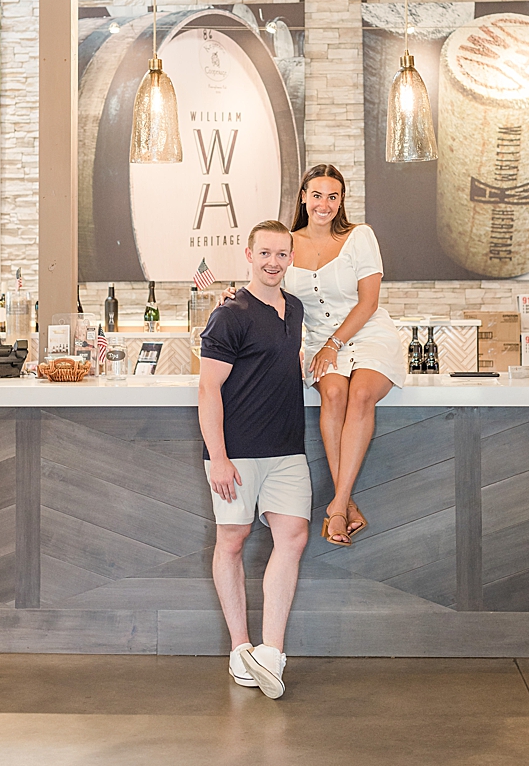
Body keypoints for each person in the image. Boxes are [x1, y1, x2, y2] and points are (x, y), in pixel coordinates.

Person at [198, 220, 310, 700]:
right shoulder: (229, 314)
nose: (273, 262)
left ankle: (271, 653)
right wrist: (219, 458)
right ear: (248, 254)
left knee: (293, 537)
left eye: (281, 254)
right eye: (265, 253)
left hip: (287, 448)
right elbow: (208, 389)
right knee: (233, 539)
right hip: (237, 452)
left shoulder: (295, 308)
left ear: (290, 258)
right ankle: (240, 649)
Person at [288, 163, 406, 547]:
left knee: (360, 394)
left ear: (341, 201)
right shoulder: (287, 245)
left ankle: (336, 507)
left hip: (366, 332)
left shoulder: (360, 236)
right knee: (334, 393)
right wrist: (233, 297)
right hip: (321, 341)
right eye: (317, 195)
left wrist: (333, 345)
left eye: (333, 197)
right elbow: (267, 289)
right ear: (303, 196)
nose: (324, 204)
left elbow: (369, 302)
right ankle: (344, 504)